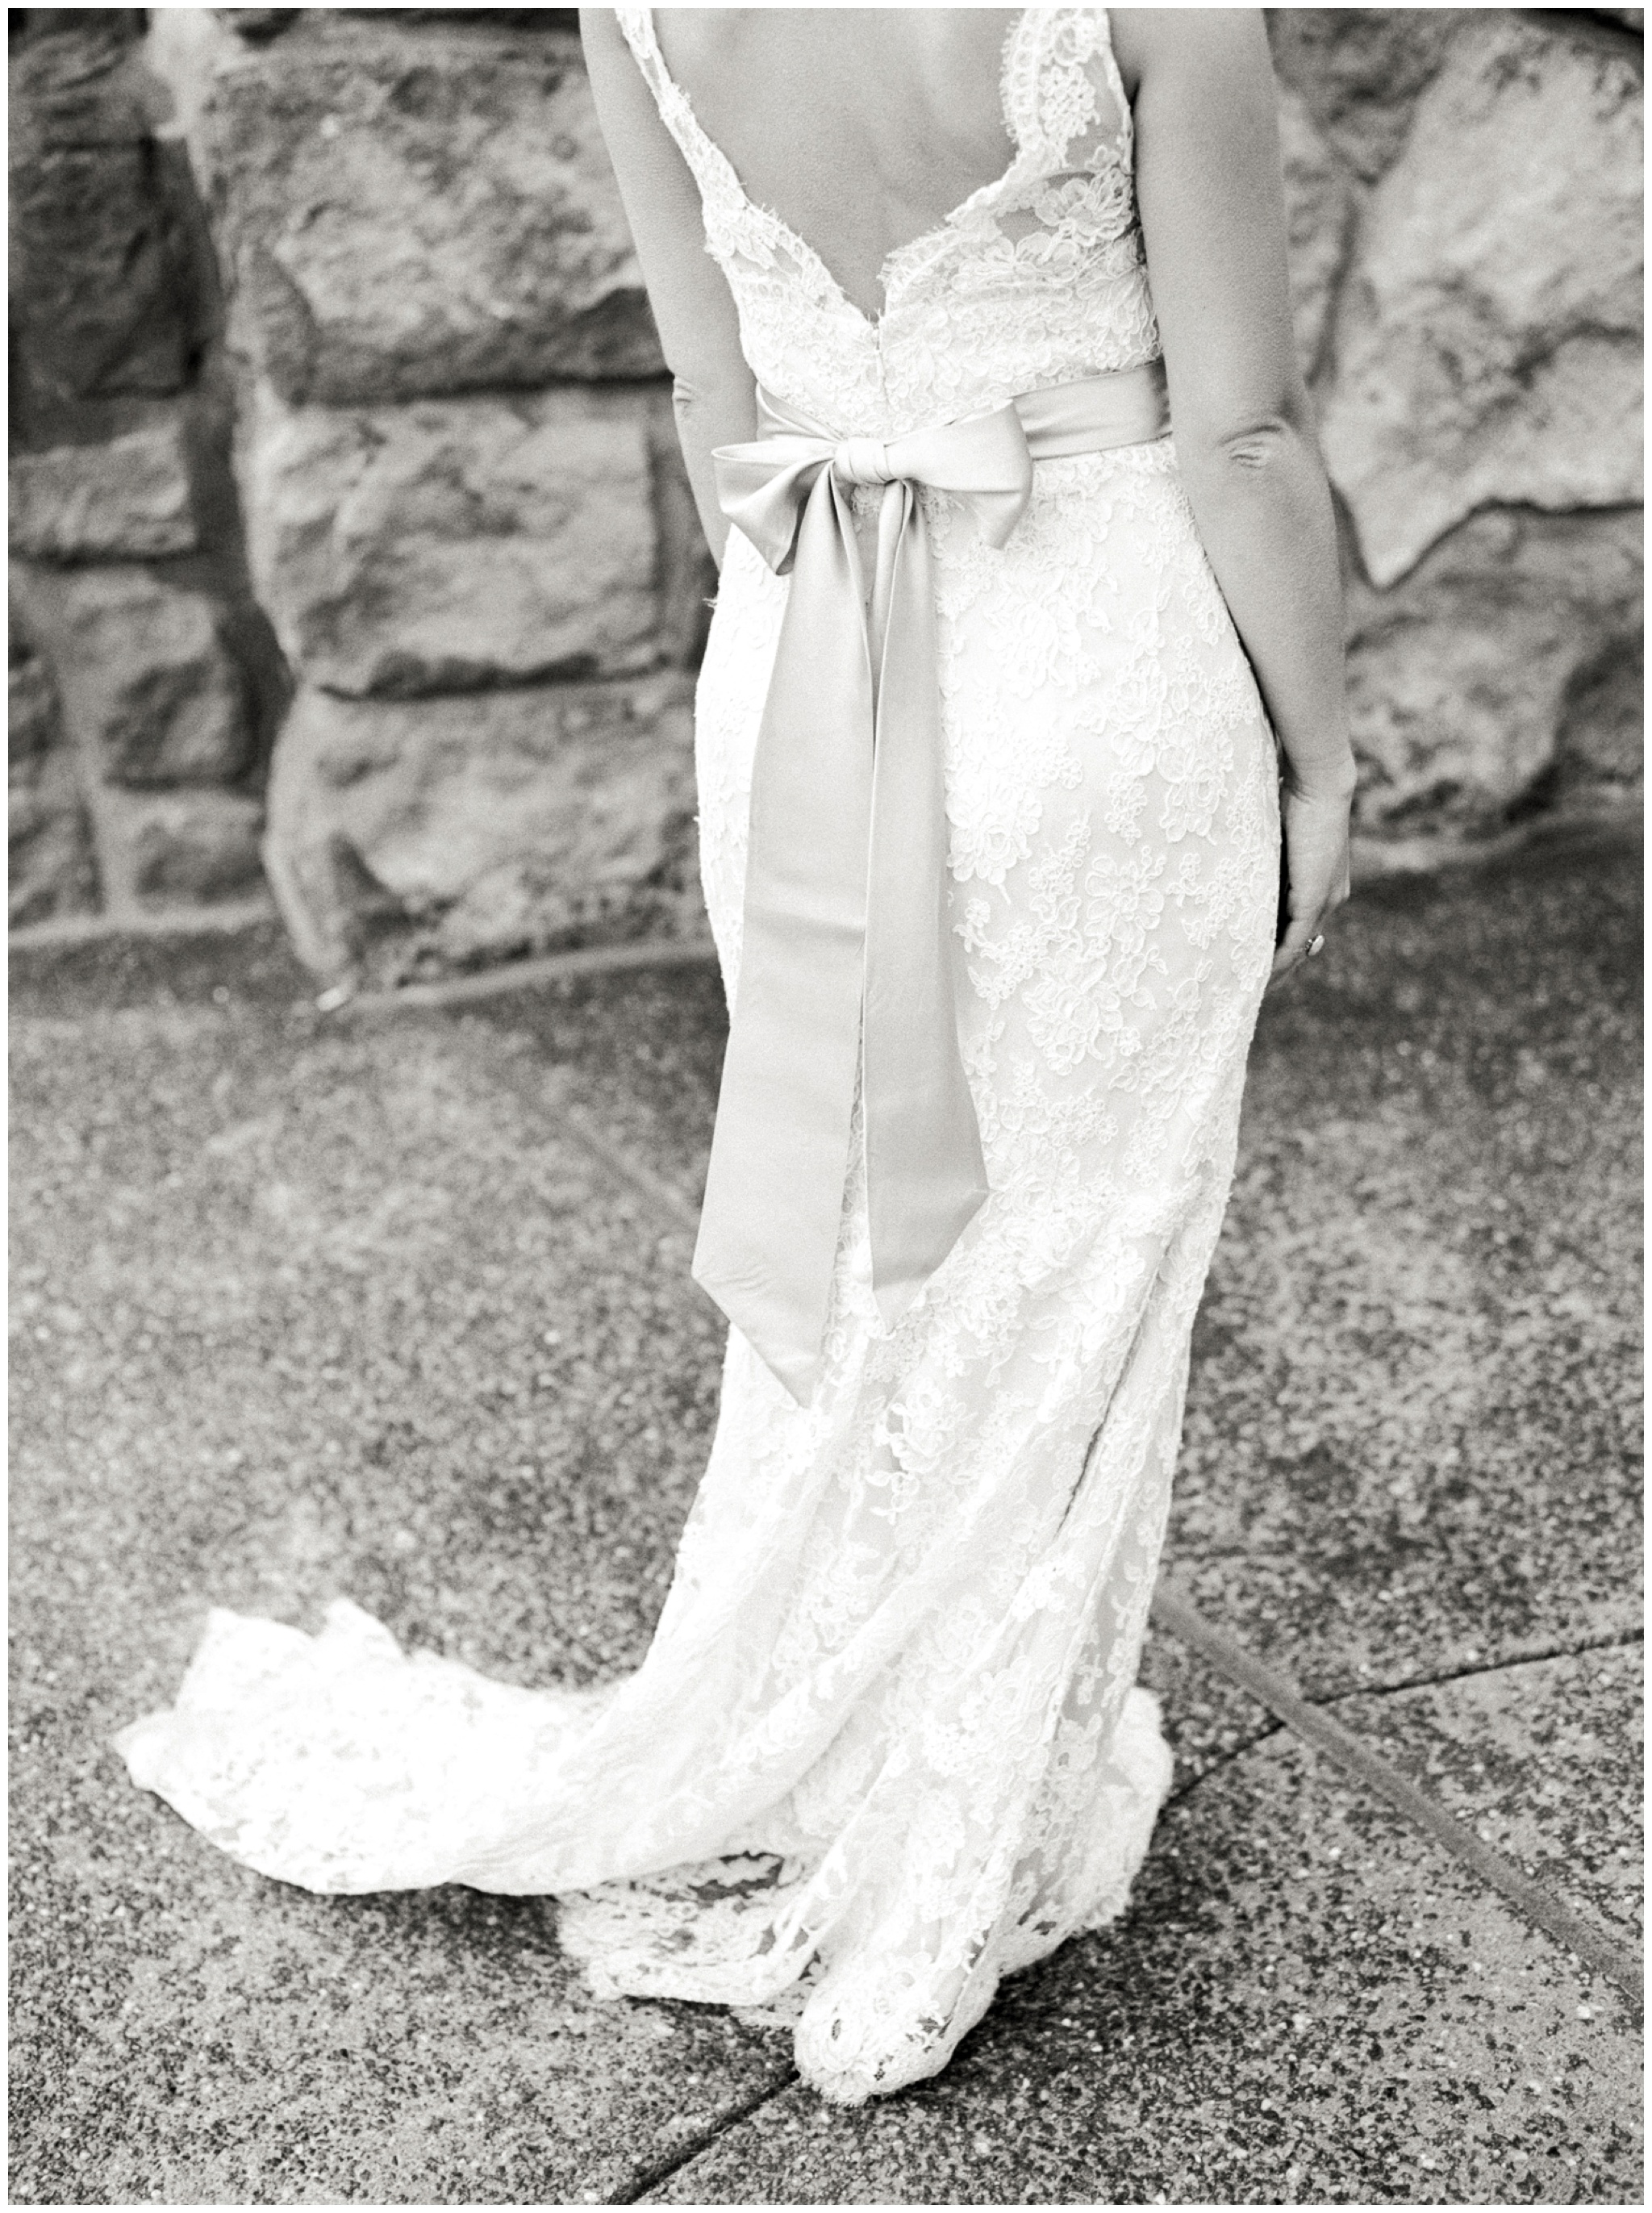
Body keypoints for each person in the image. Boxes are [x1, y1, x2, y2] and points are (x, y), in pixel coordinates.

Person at [116, 7, 1354, 2107]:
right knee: (1077, 1263)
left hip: (802, 664)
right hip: (1095, 674)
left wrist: (818, 676)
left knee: (885, 1263)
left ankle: (866, 1753)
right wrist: (1321, 756)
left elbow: (717, 395)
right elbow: (1240, 440)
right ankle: (957, 1810)